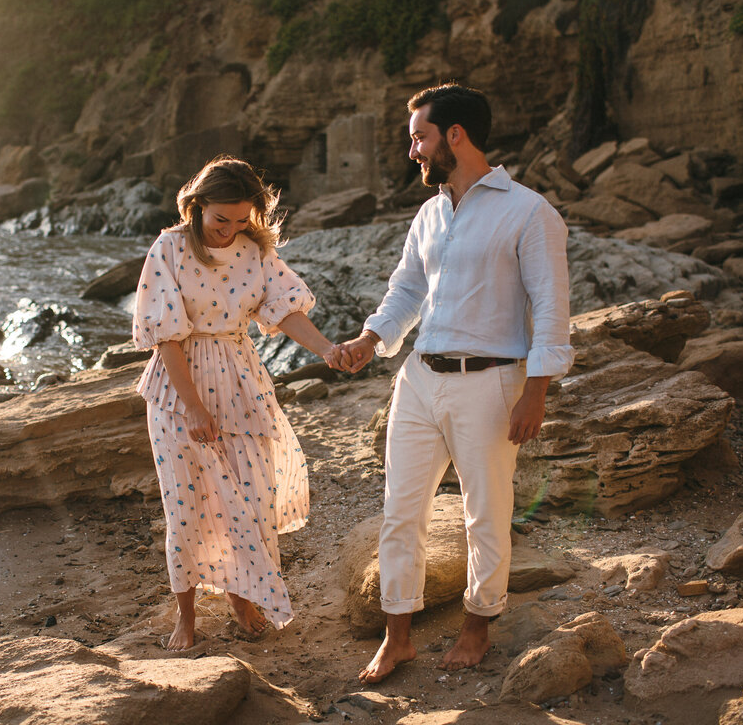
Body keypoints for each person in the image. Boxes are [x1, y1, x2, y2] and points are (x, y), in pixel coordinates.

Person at [332, 83, 573, 682]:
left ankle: (477, 624)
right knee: (400, 510)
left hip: (489, 385)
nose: (412, 149)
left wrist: (535, 392)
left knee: (485, 513)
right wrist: (371, 340)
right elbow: (408, 290)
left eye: (419, 137)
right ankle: (397, 637)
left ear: (455, 135)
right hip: (417, 378)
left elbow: (550, 309)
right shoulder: (430, 211)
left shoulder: (530, 212)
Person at [133, 155, 342, 650]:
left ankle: (241, 599)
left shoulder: (254, 251)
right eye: (219, 219)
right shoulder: (169, 249)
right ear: (197, 206)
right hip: (176, 386)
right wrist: (194, 407)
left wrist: (329, 350)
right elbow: (167, 338)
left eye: (240, 219)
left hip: (241, 378)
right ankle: (185, 617)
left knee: (252, 496)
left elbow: (285, 311)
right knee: (185, 507)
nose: (228, 230)